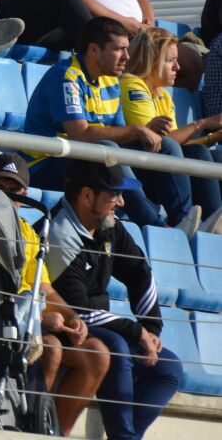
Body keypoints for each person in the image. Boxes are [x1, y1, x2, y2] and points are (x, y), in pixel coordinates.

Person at [45, 160, 181, 440]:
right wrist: (136, 332)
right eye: (113, 195)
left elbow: (140, 273)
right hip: (67, 325)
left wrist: (151, 328)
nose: (120, 202)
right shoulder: (59, 233)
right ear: (86, 196)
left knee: (169, 368)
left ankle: (129, 436)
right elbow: (79, 311)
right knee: (117, 346)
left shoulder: (108, 224)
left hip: (99, 323)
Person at [23, 17, 193, 231]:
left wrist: (142, 133)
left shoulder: (111, 79)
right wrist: (137, 129)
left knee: (166, 146)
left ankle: (183, 221)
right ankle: (156, 225)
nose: (127, 56)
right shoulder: (66, 77)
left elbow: (121, 134)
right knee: (109, 150)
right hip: (47, 165)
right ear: (94, 50)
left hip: (90, 162)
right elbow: (80, 135)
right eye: (120, 49)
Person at [0, 153, 111, 436]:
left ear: (24, 194)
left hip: (25, 321)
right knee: (51, 348)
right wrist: (41, 317)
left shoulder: (29, 233)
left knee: (97, 354)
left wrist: (72, 317)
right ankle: (31, 427)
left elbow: (45, 289)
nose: (5, 196)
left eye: (13, 189)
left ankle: (58, 433)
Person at [121, 27, 222, 234]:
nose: (177, 66)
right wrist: (201, 124)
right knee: (168, 146)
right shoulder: (132, 85)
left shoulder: (163, 95)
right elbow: (160, 143)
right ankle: (181, 220)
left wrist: (211, 137)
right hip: (139, 171)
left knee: (204, 154)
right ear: (150, 60)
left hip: (159, 170)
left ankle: (215, 221)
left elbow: (180, 145)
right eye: (170, 60)